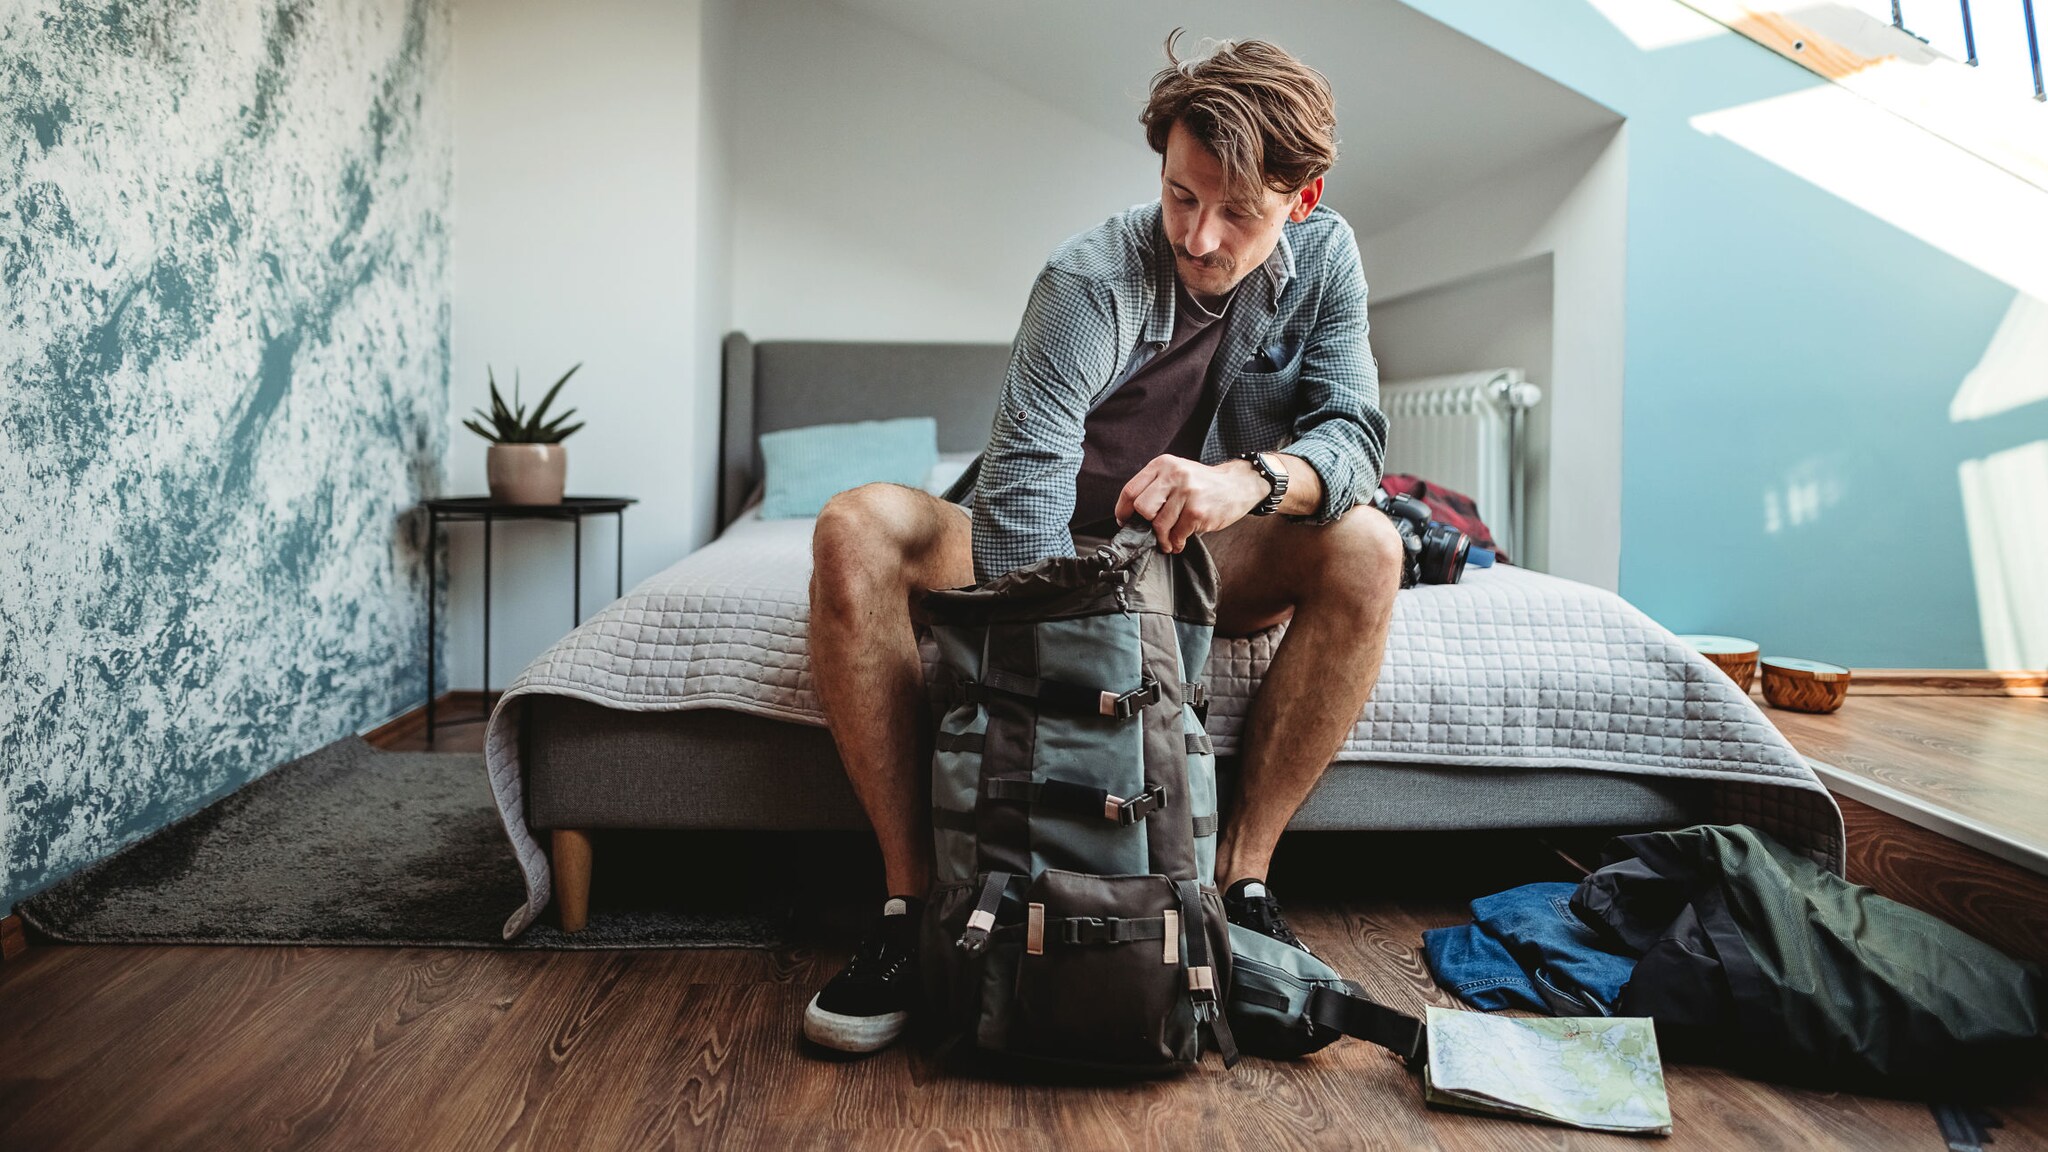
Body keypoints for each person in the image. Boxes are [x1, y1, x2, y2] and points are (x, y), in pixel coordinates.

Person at [801, 32, 1402, 1055]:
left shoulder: (1327, 257)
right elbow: (1025, 498)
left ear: (1299, 200)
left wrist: (1241, 481)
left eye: (1236, 212)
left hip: (1203, 544)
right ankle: (909, 913)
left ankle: (1236, 890)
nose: (1200, 236)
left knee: (1370, 546)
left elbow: (1352, 438)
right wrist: (1091, 679)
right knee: (852, 526)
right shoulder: (1084, 281)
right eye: (1179, 196)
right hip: (1038, 537)